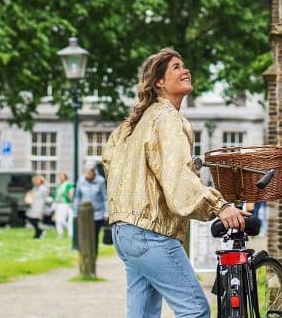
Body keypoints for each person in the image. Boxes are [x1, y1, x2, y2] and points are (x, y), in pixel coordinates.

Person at [103, 47, 248, 318]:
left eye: (184, 66)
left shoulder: (132, 125)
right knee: (194, 309)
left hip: (125, 232)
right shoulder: (167, 118)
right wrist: (220, 207)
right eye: (176, 67)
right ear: (159, 82)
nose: (185, 71)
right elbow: (178, 178)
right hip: (150, 233)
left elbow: (110, 161)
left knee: (143, 314)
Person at [72, 160, 108, 249]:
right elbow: (77, 197)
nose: (88, 174)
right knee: (84, 236)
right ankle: (85, 258)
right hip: (84, 214)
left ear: (94, 172)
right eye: (86, 172)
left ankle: (93, 258)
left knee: (94, 236)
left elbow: (105, 198)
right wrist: (75, 212)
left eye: (90, 172)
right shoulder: (81, 180)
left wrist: (106, 212)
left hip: (97, 214)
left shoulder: (100, 181)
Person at [24, 174, 50, 239]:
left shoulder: (43, 188)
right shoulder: (35, 188)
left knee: (35, 219)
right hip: (34, 205)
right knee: (30, 218)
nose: (34, 182)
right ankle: (39, 232)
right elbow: (32, 195)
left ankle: (39, 232)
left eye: (36, 180)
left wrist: (44, 208)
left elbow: (45, 198)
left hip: (40, 206)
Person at [51, 170, 74, 238]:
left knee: (62, 220)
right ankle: (60, 233)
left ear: (65, 177)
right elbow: (55, 195)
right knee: (57, 220)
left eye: (62, 176)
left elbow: (70, 195)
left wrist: (68, 196)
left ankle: (71, 232)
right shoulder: (58, 185)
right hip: (57, 204)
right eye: (59, 176)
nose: (60, 178)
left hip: (65, 204)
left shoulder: (69, 184)